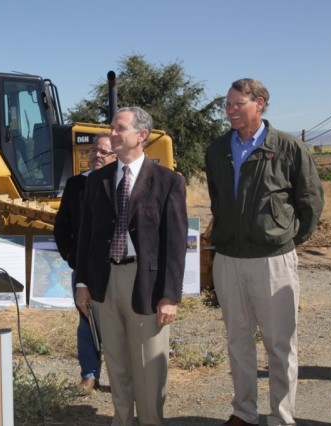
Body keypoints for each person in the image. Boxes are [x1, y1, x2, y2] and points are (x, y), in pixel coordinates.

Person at [205, 78, 324, 426]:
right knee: (237, 341)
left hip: (273, 261)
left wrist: (282, 238)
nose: (230, 110)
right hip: (228, 259)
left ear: (260, 104)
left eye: (237, 103)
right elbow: (217, 198)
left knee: (280, 345)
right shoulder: (217, 150)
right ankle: (244, 412)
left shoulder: (287, 147)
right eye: (227, 104)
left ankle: (281, 416)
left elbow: (310, 201)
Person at [75, 107, 188, 425]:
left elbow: (176, 244)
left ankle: (151, 420)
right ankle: (121, 420)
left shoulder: (168, 182)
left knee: (149, 367)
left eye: (119, 128)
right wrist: (82, 283)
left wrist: (170, 295)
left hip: (146, 285)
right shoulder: (97, 181)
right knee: (117, 362)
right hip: (105, 283)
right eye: (112, 128)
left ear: (141, 135)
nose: (113, 133)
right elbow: (87, 237)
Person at [54, 134, 117, 395]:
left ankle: (121, 376)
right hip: (84, 268)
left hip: (116, 266)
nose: (97, 155)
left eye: (104, 152)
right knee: (86, 321)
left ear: (116, 156)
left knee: (117, 322)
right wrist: (72, 256)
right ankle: (90, 375)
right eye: (94, 151)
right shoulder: (75, 184)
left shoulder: (121, 183)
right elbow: (62, 226)